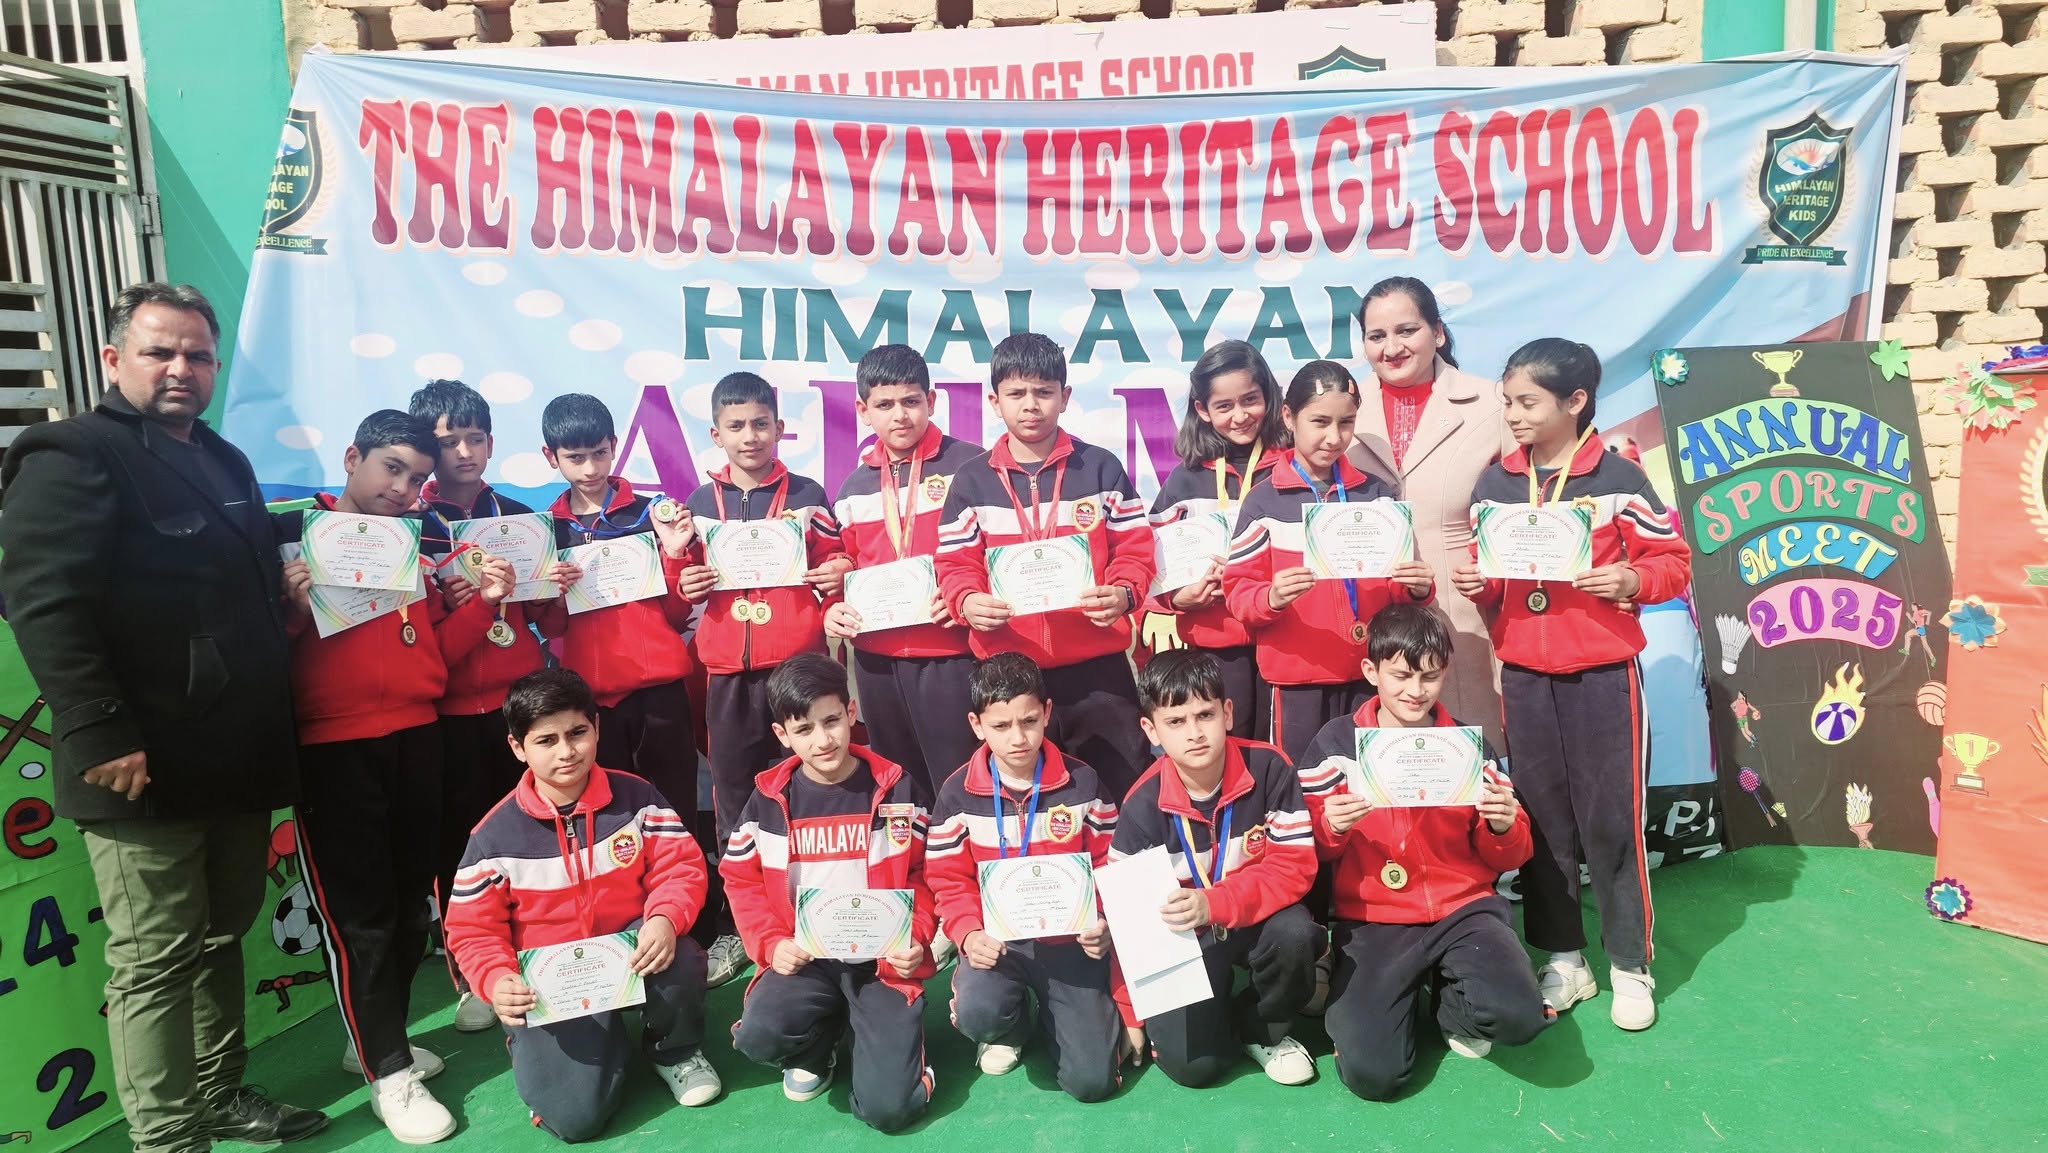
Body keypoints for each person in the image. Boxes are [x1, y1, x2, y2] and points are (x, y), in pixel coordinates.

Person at [0, 283, 326, 1152]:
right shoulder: (70, 452)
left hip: (238, 756)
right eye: (160, 351)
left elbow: (236, 594)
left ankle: (218, 1094)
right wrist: (99, 730)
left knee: (220, 937)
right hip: (140, 766)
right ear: (115, 359)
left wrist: (288, 609)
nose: (182, 368)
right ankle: (169, 1138)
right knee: (153, 960)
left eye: (198, 355)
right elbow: (45, 605)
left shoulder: (225, 459)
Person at [276, 409, 517, 1144]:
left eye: (416, 478)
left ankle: (375, 1043)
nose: (404, 489)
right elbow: (252, 648)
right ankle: (390, 1075)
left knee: (414, 908)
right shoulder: (292, 535)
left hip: (418, 733)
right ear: (352, 456)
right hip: (334, 749)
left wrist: (486, 606)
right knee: (364, 923)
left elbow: (432, 652)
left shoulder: (407, 543)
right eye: (391, 470)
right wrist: (289, 610)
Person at [1452, 338, 1692, 1032]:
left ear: (1575, 401)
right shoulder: (1497, 483)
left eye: (1528, 402)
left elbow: (1673, 561)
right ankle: (1565, 955)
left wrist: (1631, 579)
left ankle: (1629, 963)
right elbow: (1493, 575)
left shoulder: (1619, 478)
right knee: (1540, 820)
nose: (1513, 415)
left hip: (1602, 675)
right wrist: (1479, 582)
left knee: (1610, 820)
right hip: (1525, 676)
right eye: (1508, 402)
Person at [444, 668, 719, 1141]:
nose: (566, 751)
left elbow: (680, 868)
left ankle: (674, 1050)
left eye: (577, 733)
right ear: (517, 747)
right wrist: (495, 979)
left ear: (596, 728)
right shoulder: (491, 837)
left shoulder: (637, 798)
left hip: (631, 952)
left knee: (682, 957)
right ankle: (569, 1042)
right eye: (545, 741)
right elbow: (472, 930)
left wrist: (664, 919)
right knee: (575, 1121)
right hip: (551, 982)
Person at [1297, 602, 1551, 1100]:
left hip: (1464, 910)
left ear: (1445, 673)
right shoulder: (1335, 745)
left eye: (1430, 676)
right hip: (1374, 920)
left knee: (1519, 1019)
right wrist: (1329, 827)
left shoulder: (1468, 745)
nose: (1416, 690)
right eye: (1401, 676)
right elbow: (1306, 849)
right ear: (1371, 671)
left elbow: (1510, 856)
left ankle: (1452, 1004)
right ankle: (1387, 994)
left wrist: (1503, 825)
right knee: (1374, 1076)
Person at [533, 395, 743, 982]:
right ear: (552, 458)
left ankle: (696, 932)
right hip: (591, 704)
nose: (590, 468)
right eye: (576, 457)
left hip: (658, 693)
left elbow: (677, 613)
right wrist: (550, 590)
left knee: (674, 814)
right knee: (611, 821)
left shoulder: (654, 513)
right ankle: (623, 929)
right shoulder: (547, 530)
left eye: (600, 454)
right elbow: (550, 626)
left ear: (614, 450)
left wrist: (673, 556)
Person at [721, 654, 936, 1132]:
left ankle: (895, 1048)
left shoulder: (897, 789)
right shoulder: (766, 800)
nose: (823, 740)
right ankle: (821, 1045)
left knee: (890, 1110)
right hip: (808, 962)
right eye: (804, 729)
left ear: (851, 711)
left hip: (881, 966)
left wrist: (916, 933)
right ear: (782, 735)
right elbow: (741, 881)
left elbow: (926, 872)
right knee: (758, 1036)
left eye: (832, 721)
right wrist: (771, 944)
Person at [935, 333, 1157, 795]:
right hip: (1008, 672)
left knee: (1122, 786)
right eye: (1016, 393)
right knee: (1027, 797)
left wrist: (1123, 593)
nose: (1030, 405)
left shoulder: (1100, 468)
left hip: (1096, 666)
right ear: (995, 402)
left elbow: (1134, 548)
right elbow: (955, 563)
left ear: (1065, 396)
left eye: (1043, 391)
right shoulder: (971, 480)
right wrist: (967, 600)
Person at [409, 378, 551, 1034]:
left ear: (492, 442)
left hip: (518, 706)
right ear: (428, 449)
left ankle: (538, 950)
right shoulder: (410, 529)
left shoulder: (520, 517)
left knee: (531, 834)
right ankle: (472, 975)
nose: (464, 452)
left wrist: (551, 588)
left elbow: (545, 616)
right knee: (459, 846)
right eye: (449, 442)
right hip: (448, 710)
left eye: (475, 438)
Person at [1112, 649, 1321, 1088]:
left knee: (1296, 933)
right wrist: (1131, 1009)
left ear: (1227, 713)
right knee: (1196, 1070)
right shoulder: (1140, 806)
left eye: (1204, 715)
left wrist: (1215, 903)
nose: (1194, 733)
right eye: (1175, 721)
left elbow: (1295, 867)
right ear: (1150, 730)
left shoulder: (1270, 767)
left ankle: (1263, 1026)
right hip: (1186, 939)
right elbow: (1130, 924)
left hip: (1256, 919)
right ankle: (1216, 1014)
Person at [926, 653, 1120, 1098]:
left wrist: (1102, 918)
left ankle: (1057, 1015)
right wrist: (967, 932)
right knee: (979, 1012)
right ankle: (1007, 1029)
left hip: (1070, 942)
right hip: (999, 945)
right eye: (1000, 726)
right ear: (977, 725)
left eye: (1029, 721)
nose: (1018, 738)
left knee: (1091, 1082)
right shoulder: (957, 793)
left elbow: (1110, 861)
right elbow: (948, 879)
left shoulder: (1084, 783)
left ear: (1047, 712)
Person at [1222, 360, 1434, 763]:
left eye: (1346, 423)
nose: (1334, 437)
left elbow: (1399, 587)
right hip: (1296, 680)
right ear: (1289, 417)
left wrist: (1417, 587)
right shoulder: (1264, 501)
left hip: (1372, 674)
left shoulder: (1377, 494)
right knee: (1301, 782)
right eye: (1320, 422)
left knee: (1368, 780)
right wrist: (1271, 597)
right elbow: (1238, 593)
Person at [677, 373, 850, 840]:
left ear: (779, 428)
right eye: (736, 427)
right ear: (717, 435)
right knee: (733, 784)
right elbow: (684, 578)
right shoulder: (699, 503)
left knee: (807, 777)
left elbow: (834, 558)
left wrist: (839, 572)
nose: (749, 436)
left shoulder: (807, 494)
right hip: (726, 669)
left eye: (760, 424)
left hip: (797, 664)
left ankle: (809, 871)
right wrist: (686, 582)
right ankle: (738, 882)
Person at [1348, 277, 1514, 748]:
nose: (1392, 348)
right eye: (1377, 336)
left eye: (1407, 330)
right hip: (1367, 612)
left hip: (1465, 611)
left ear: (1438, 332)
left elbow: (1525, 504)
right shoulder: (1344, 410)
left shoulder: (1493, 404)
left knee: (1470, 754)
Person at [827, 344, 986, 799]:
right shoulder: (853, 488)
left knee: (960, 783)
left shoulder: (972, 467)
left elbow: (994, 551)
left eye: (911, 401)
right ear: (863, 411)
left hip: (951, 651)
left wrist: (965, 595)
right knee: (899, 787)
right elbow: (846, 564)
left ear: (930, 401)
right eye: (884, 404)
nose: (899, 415)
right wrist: (832, 606)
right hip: (877, 661)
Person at [1142, 340, 1287, 738]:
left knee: (1279, 754)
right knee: (1227, 751)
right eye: (1224, 406)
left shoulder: (1294, 468)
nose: (1240, 416)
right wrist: (1177, 599)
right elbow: (1151, 563)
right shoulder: (1185, 479)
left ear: (1269, 396)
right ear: (1202, 409)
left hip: (1285, 640)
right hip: (1215, 644)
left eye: (1250, 400)